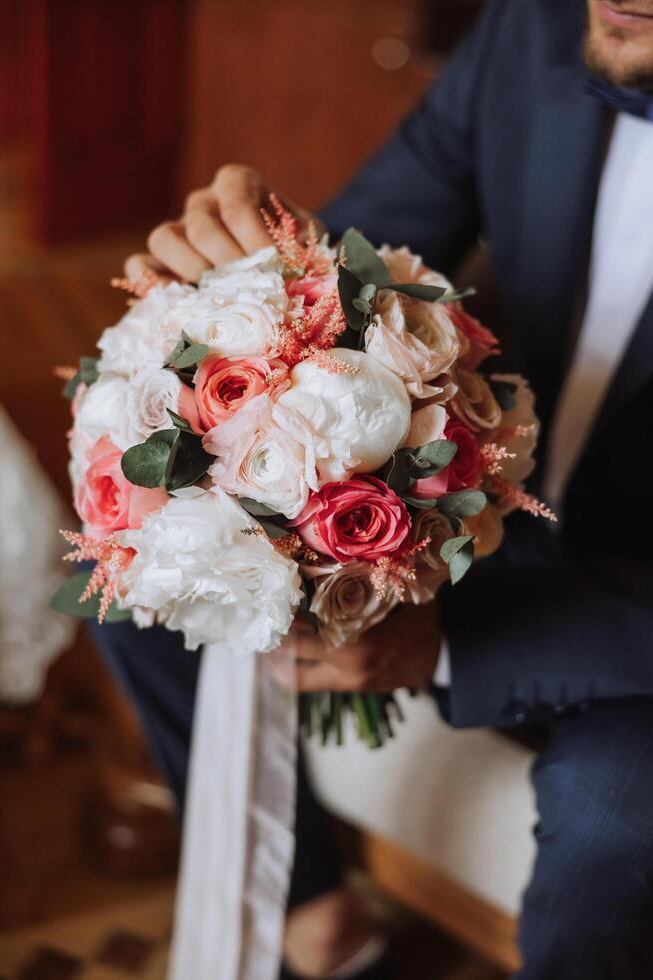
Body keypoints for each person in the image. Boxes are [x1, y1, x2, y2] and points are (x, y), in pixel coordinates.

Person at [90, 0, 653, 976]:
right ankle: (327, 931)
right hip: (494, 509)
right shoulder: (539, 26)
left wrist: (445, 644)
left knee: (617, 812)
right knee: (148, 575)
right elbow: (351, 255)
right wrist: (255, 263)